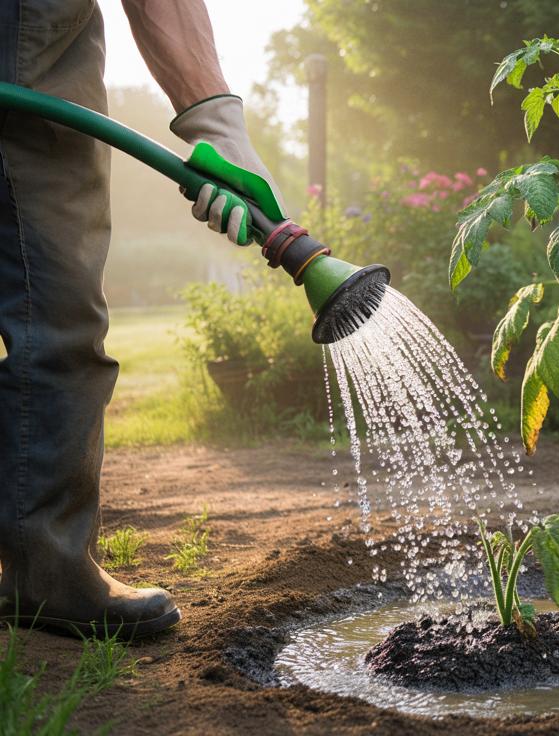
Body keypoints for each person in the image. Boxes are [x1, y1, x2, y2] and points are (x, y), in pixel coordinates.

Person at [0, 0, 283, 638]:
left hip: (41, 63)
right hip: (36, 59)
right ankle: (47, 571)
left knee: (56, 312)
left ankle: (46, 571)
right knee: (54, 315)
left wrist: (218, 125)